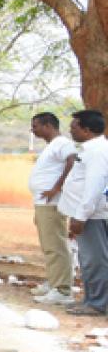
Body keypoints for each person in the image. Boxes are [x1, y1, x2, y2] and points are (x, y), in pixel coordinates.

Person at [58, 109, 108, 316]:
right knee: (92, 258)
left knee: (93, 260)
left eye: (74, 127)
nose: (71, 131)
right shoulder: (92, 149)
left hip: (91, 215)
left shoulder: (96, 151)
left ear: (87, 130)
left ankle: (96, 303)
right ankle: (92, 300)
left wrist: (81, 216)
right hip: (90, 213)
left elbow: (94, 186)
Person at [28, 112, 77, 305]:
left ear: (48, 125)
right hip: (42, 203)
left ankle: (62, 290)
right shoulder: (52, 147)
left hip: (53, 203)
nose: (33, 130)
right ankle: (54, 281)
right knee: (48, 245)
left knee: (55, 245)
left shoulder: (62, 144)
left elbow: (72, 161)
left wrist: (57, 187)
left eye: (35, 126)